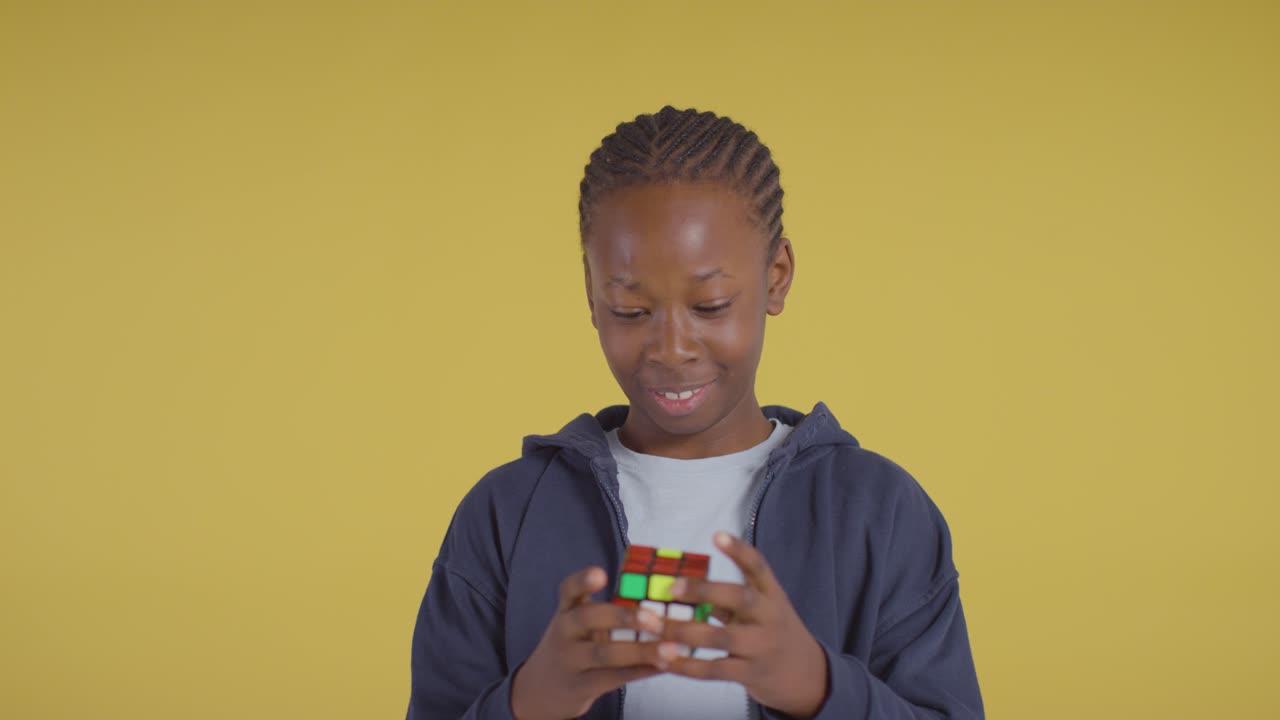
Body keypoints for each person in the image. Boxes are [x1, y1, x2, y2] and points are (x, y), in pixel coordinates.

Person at [406, 106, 984, 720]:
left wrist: (817, 685)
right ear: (592, 293)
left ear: (776, 277)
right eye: (630, 311)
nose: (671, 348)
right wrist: (529, 701)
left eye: (710, 306)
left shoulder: (879, 511)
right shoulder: (505, 515)